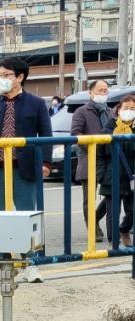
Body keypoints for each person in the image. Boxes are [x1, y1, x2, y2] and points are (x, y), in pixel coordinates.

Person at [0, 57, 52, 284]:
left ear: (20, 77)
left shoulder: (36, 104)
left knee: (26, 217)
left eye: (6, 75)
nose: (1, 79)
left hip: (23, 169)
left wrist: (46, 162)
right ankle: (2, 263)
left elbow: (46, 135)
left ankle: (30, 263)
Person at [71, 79, 110, 241]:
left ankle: (95, 218)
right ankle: (93, 229)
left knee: (112, 194)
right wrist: (94, 148)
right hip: (89, 159)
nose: (103, 93)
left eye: (105, 90)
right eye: (100, 90)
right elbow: (76, 134)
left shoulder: (110, 111)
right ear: (90, 92)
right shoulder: (81, 111)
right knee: (89, 198)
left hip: (108, 160)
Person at [98, 95, 135, 247]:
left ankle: (124, 229)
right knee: (113, 212)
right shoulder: (108, 129)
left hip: (131, 177)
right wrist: (101, 175)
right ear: (119, 110)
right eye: (126, 108)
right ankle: (114, 242)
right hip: (111, 177)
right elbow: (99, 155)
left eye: (132, 109)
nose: (129, 111)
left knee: (132, 212)